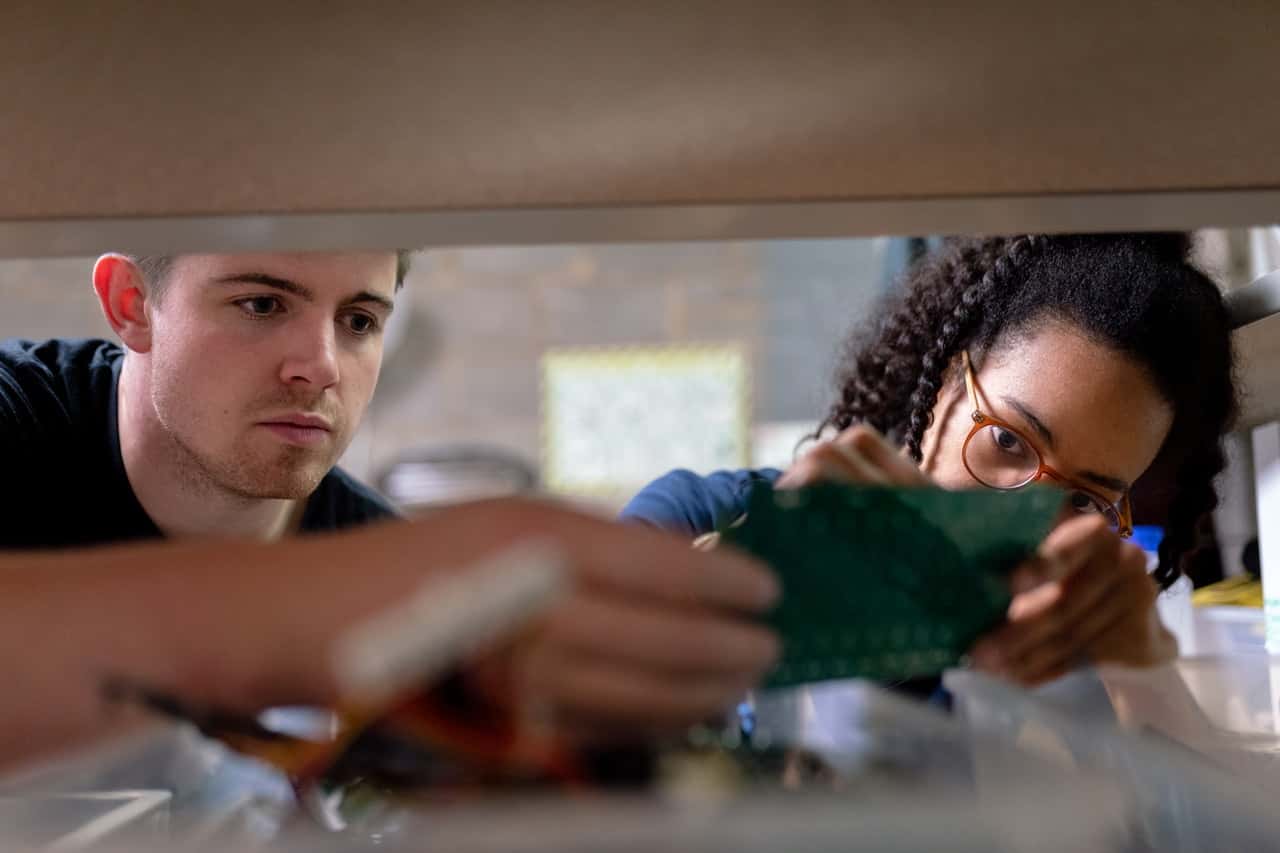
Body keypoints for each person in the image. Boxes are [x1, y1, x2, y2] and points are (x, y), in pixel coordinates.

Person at [0, 251, 780, 767]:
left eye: (360, 321)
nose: (320, 366)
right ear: (132, 302)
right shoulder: (18, 420)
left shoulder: (389, 569)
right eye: (263, 303)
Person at [623, 233, 1238, 687]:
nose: (1025, 509)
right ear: (945, 378)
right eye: (1007, 441)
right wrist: (753, 566)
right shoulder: (701, 513)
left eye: (1082, 498)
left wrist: (1145, 681)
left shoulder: (1059, 650)